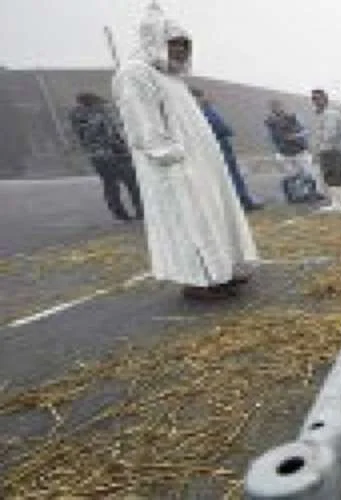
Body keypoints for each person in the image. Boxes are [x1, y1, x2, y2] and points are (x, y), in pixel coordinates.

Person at [112, 3, 259, 301]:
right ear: (154, 41)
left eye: (184, 45)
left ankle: (221, 271)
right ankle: (199, 280)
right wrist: (173, 157)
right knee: (190, 221)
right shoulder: (135, 74)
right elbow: (143, 125)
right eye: (174, 44)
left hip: (201, 166)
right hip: (175, 169)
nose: (180, 50)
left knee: (212, 217)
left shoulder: (173, 79)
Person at [69, 92, 144, 221]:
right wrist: (123, 148)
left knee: (111, 185)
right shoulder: (99, 115)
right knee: (131, 182)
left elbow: (85, 137)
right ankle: (139, 211)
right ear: (93, 103)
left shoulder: (77, 117)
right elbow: (110, 134)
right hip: (113, 154)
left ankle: (120, 214)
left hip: (97, 156)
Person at [190, 87, 263, 212]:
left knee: (232, 176)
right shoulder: (200, 112)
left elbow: (224, 128)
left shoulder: (206, 110)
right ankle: (241, 202)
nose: (205, 99)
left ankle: (243, 201)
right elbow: (220, 128)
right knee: (227, 177)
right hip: (215, 148)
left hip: (221, 146)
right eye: (202, 97)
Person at [264, 99, 325, 201]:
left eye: (278, 106)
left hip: (299, 150)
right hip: (284, 153)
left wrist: (294, 136)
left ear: (282, 106)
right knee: (292, 175)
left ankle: (313, 193)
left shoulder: (292, 117)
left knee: (309, 173)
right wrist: (276, 150)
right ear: (271, 109)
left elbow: (305, 131)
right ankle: (294, 196)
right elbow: (271, 137)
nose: (276, 109)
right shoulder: (270, 122)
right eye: (273, 107)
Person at [310, 88, 341, 211]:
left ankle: (337, 204)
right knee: (337, 175)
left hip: (331, 150)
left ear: (325, 99)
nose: (315, 101)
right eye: (313, 99)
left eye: (318, 98)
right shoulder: (325, 114)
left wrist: (320, 148)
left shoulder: (330, 114)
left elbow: (330, 134)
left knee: (332, 176)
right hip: (334, 150)